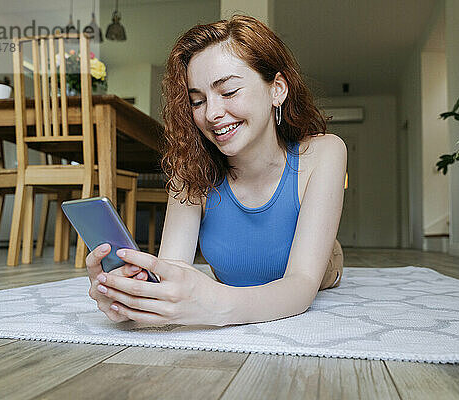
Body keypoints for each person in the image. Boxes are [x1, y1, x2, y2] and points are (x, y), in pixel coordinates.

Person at [86, 15, 347, 326]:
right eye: (198, 101)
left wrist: (217, 304)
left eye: (229, 92)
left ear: (277, 89)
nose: (211, 113)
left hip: (324, 267)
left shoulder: (325, 152)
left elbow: (302, 286)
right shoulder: (190, 169)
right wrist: (130, 295)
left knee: (318, 268)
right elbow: (172, 267)